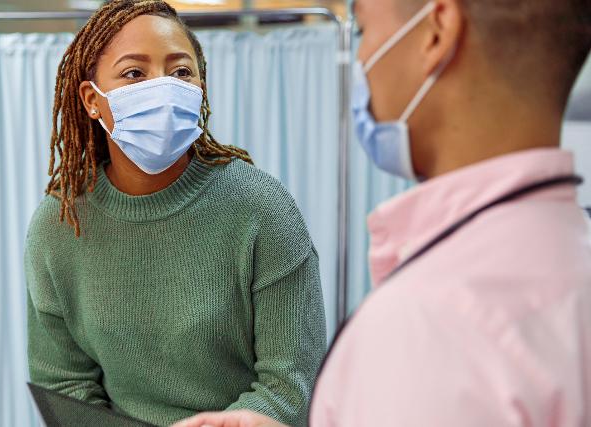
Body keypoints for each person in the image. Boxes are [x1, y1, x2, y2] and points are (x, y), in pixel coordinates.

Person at [174, 0, 591, 425]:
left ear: (436, 32)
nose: (361, 60)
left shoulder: (427, 327)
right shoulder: (573, 263)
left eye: (364, 32)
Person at [24, 0, 327, 425]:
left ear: (200, 87)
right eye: (134, 73)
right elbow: (64, 385)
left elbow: (292, 383)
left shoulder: (262, 209)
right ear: (92, 100)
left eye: (181, 72)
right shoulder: (59, 226)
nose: (163, 87)